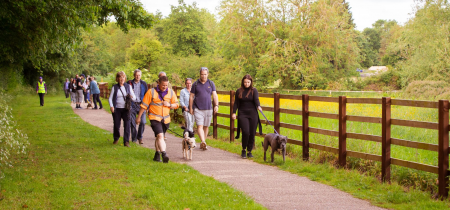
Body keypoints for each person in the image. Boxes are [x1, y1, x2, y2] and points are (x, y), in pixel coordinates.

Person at [137, 76, 179, 163]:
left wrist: (169, 105)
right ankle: (164, 154)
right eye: (163, 85)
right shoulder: (151, 92)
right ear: (158, 83)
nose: (164, 87)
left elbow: (176, 104)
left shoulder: (171, 92)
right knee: (160, 136)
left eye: (166, 85)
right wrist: (139, 117)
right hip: (154, 118)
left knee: (159, 137)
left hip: (166, 120)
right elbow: (143, 105)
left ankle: (157, 154)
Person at [232, 74, 262, 158]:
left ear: (251, 82)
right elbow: (236, 103)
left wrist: (258, 106)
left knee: (252, 133)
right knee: (246, 132)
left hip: (253, 114)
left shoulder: (254, 90)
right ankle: (243, 149)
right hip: (242, 113)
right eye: (245, 82)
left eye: (248, 82)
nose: (247, 84)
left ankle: (249, 151)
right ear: (243, 82)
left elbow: (256, 100)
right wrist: (234, 113)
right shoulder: (239, 91)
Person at [189, 67, 219, 150]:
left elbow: (215, 95)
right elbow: (191, 96)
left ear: (207, 74)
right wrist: (191, 108)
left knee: (206, 126)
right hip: (198, 108)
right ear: (200, 74)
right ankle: (203, 141)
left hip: (208, 108)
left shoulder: (211, 83)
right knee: (200, 126)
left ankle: (203, 143)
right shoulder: (195, 84)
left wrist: (216, 105)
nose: (203, 76)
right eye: (202, 74)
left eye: (205, 74)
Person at [109, 71, 136, 147]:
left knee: (127, 125)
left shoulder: (128, 86)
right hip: (117, 109)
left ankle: (126, 141)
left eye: (123, 77)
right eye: (120, 77)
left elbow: (134, 98)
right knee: (117, 125)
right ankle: (116, 138)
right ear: (117, 78)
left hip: (126, 109)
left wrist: (131, 96)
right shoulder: (115, 87)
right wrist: (112, 106)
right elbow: (110, 98)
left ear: (125, 78)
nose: (122, 79)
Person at [128, 69, 148, 144]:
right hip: (132, 104)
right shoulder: (129, 83)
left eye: (139, 75)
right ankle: (134, 138)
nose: (137, 76)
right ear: (134, 75)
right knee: (132, 123)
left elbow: (147, 95)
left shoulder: (143, 84)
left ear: (141, 76)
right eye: (136, 75)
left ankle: (140, 137)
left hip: (141, 105)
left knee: (143, 122)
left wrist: (147, 107)